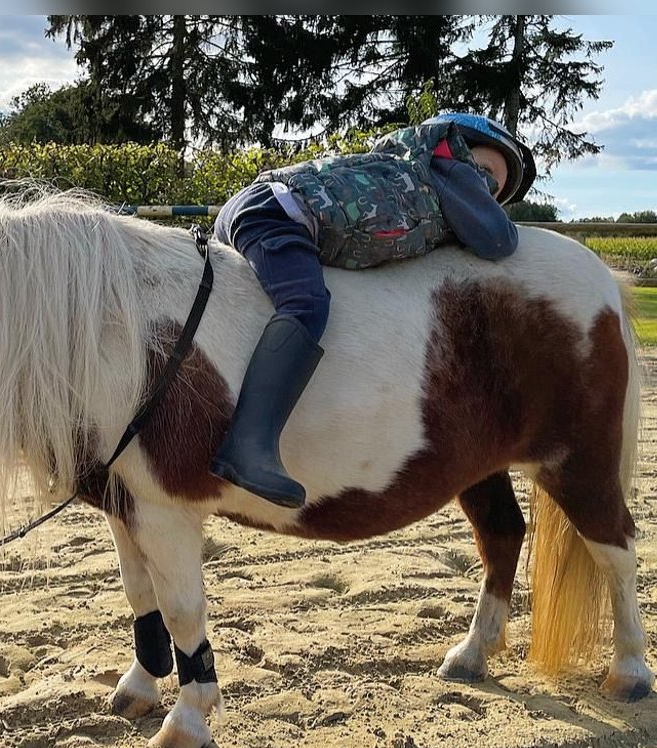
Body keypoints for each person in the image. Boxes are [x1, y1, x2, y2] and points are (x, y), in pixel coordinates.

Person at [211, 112, 537, 509]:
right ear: (462, 147)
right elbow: (498, 240)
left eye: (495, 191)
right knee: (306, 305)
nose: (485, 190)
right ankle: (248, 444)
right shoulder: (446, 162)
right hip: (279, 213)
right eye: (486, 174)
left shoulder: (415, 172)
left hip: (273, 209)